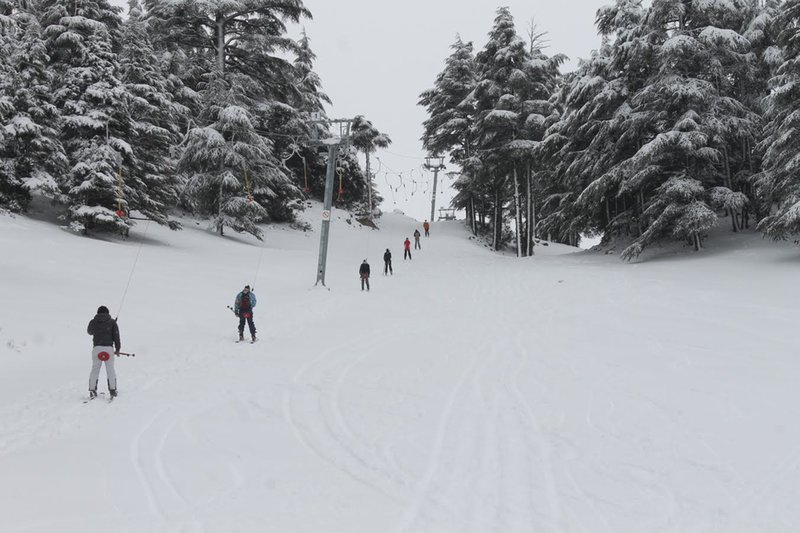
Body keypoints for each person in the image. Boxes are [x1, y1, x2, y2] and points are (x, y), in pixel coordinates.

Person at [87, 305, 121, 399]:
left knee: (95, 369)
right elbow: (116, 337)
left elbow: (89, 332)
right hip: (108, 349)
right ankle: (113, 390)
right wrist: (117, 349)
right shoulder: (112, 322)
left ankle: (92, 390)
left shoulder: (93, 321)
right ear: (107, 312)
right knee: (110, 370)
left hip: (97, 348)